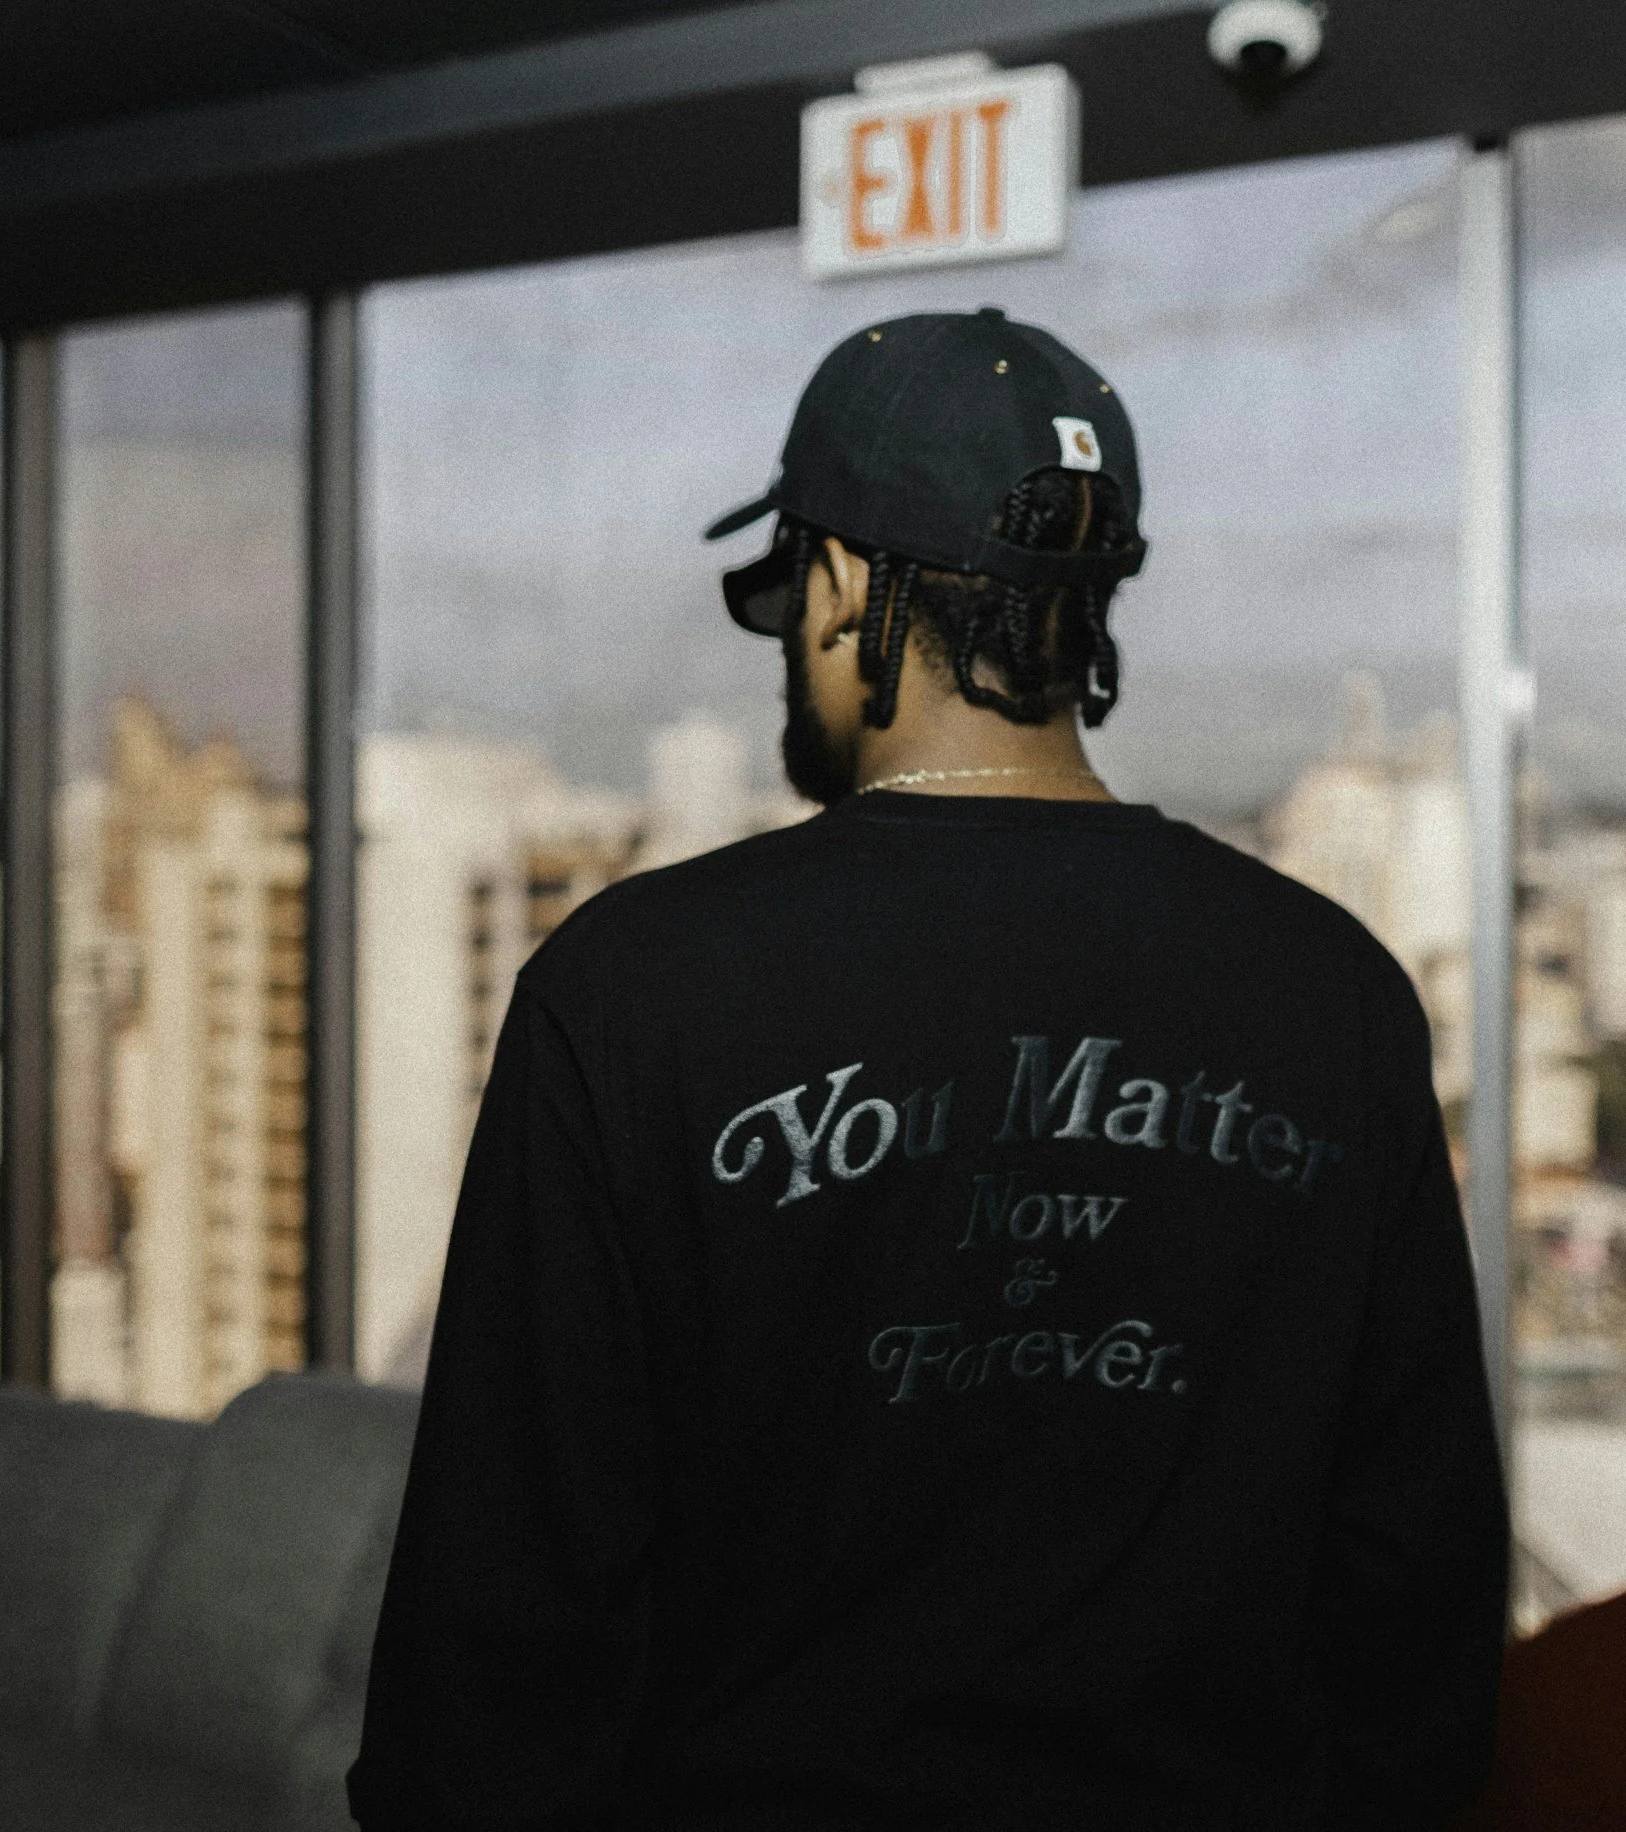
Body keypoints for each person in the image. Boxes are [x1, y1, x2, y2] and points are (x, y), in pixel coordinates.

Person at [347, 307, 1508, 1830]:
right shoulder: (1335, 994)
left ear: (840, 587)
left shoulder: (633, 992)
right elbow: (1418, 1595)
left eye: (783, 595)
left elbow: (502, 1621)